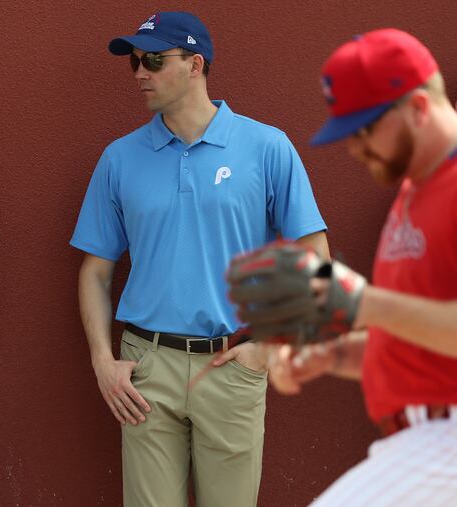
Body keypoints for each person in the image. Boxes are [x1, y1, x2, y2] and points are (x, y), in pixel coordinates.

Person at [69, 11, 329, 507]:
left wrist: (269, 349)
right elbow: (96, 273)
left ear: (195, 65)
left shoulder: (266, 147)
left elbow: (314, 255)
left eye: (154, 60)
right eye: (134, 63)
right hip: (145, 370)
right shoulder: (119, 159)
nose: (140, 72)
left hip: (231, 363)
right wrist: (104, 362)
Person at [228, 29, 457, 506]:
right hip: (418, 436)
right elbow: (424, 346)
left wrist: (361, 301)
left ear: (417, 108)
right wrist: (335, 356)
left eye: (364, 129)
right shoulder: (414, 192)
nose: (354, 147)